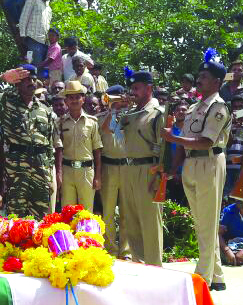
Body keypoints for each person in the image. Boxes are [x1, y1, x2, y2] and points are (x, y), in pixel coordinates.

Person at [162, 52, 232, 290]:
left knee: (208, 221)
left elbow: (205, 141)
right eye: (199, 75)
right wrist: (174, 168)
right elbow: (186, 140)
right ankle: (218, 274)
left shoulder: (219, 107)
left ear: (217, 82)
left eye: (204, 76)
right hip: (191, 164)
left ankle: (203, 277)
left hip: (209, 162)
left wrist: (174, 138)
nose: (199, 80)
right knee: (201, 220)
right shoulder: (194, 107)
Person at [0, 65, 60, 219]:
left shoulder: (45, 110)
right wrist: (2, 78)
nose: (31, 82)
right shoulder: (4, 102)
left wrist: (50, 174)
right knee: (15, 219)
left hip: (41, 171)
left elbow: (49, 144)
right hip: (16, 170)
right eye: (26, 79)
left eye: (33, 78)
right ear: (17, 83)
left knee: (41, 218)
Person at [106, 71, 163, 265]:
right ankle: (139, 263)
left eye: (137, 88)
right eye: (131, 88)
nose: (132, 92)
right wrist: (115, 108)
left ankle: (155, 267)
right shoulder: (130, 113)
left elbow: (164, 149)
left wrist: (160, 176)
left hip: (149, 169)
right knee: (132, 220)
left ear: (149, 88)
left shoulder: (157, 114)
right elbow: (109, 128)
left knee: (150, 222)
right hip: (129, 168)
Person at [57, 81, 102, 211]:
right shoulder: (60, 122)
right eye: (71, 97)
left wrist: (98, 177)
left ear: (83, 99)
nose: (74, 100)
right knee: (68, 212)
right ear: (66, 101)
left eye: (78, 97)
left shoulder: (92, 122)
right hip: (67, 171)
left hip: (86, 171)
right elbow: (58, 150)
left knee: (86, 213)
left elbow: (97, 150)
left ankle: (85, 233)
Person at [98, 84, 130, 258]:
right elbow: (103, 130)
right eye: (111, 96)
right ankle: (110, 248)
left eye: (118, 96)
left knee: (126, 211)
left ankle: (125, 250)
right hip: (108, 167)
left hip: (127, 167)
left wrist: (124, 109)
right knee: (108, 212)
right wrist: (112, 110)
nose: (115, 99)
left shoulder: (131, 115)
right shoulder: (100, 117)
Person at [19, 0, 56, 67]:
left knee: (39, 68)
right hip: (32, 40)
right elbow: (24, 17)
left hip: (44, 43)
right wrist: (22, 35)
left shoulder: (49, 8)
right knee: (32, 66)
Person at [224, 95, 243, 196]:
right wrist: (231, 126)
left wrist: (240, 127)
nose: (238, 109)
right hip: (227, 167)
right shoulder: (227, 122)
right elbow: (226, 143)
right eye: (235, 107)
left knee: (241, 196)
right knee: (226, 196)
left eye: (241, 107)